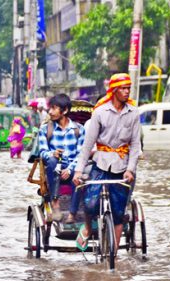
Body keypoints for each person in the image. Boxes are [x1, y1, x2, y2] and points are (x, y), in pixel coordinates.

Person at [73, 73, 141, 252]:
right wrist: (79, 171)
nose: (127, 92)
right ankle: (87, 228)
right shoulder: (100, 112)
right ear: (114, 91)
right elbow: (88, 145)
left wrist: (131, 169)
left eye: (128, 88)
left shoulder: (133, 113)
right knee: (90, 203)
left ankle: (114, 253)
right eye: (123, 89)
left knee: (119, 212)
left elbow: (135, 144)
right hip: (101, 163)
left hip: (122, 166)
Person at [39, 93, 85, 224]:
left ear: (64, 111)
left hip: (73, 167)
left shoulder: (79, 130)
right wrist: (52, 153)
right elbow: (42, 152)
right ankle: (55, 204)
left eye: (54, 108)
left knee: (80, 177)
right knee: (52, 161)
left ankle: (72, 214)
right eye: (50, 108)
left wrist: (70, 170)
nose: (50, 111)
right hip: (54, 167)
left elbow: (81, 154)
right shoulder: (45, 129)